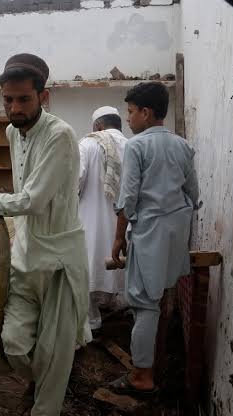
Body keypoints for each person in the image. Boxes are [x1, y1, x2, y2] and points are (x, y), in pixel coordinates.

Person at [0, 53, 89, 416]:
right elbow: (22, 189)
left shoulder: (60, 134)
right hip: (26, 252)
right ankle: (42, 383)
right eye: (8, 100)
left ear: (43, 97)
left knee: (53, 355)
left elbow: (32, 198)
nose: (14, 108)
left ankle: (46, 406)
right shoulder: (12, 132)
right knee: (13, 344)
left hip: (59, 259)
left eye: (23, 99)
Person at [109, 82, 199, 395]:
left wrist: (119, 238)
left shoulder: (137, 146)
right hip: (176, 234)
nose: (129, 119)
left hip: (149, 234)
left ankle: (142, 377)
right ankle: (156, 363)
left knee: (144, 305)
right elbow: (193, 194)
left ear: (146, 113)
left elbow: (128, 199)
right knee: (161, 297)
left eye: (131, 112)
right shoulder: (183, 145)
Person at [78, 106, 128, 332]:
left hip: (91, 219)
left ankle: (92, 320)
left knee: (88, 265)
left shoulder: (87, 144)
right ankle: (121, 309)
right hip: (124, 221)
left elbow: (76, 181)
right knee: (123, 267)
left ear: (98, 125)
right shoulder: (131, 145)